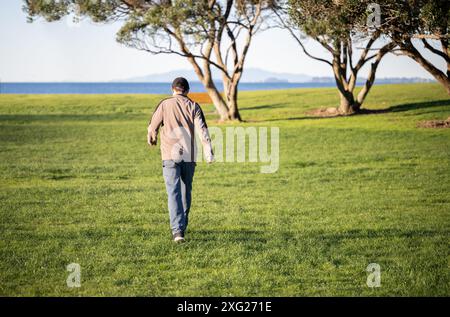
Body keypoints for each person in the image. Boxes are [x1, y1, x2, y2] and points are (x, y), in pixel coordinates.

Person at [147, 77, 214, 243]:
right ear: (187, 90)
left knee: (173, 192)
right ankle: (181, 228)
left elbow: (152, 126)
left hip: (170, 155)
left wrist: (152, 138)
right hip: (189, 156)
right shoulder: (194, 106)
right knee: (185, 191)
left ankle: (177, 231)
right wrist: (208, 152)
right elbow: (203, 131)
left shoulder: (164, 104)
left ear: (173, 89)